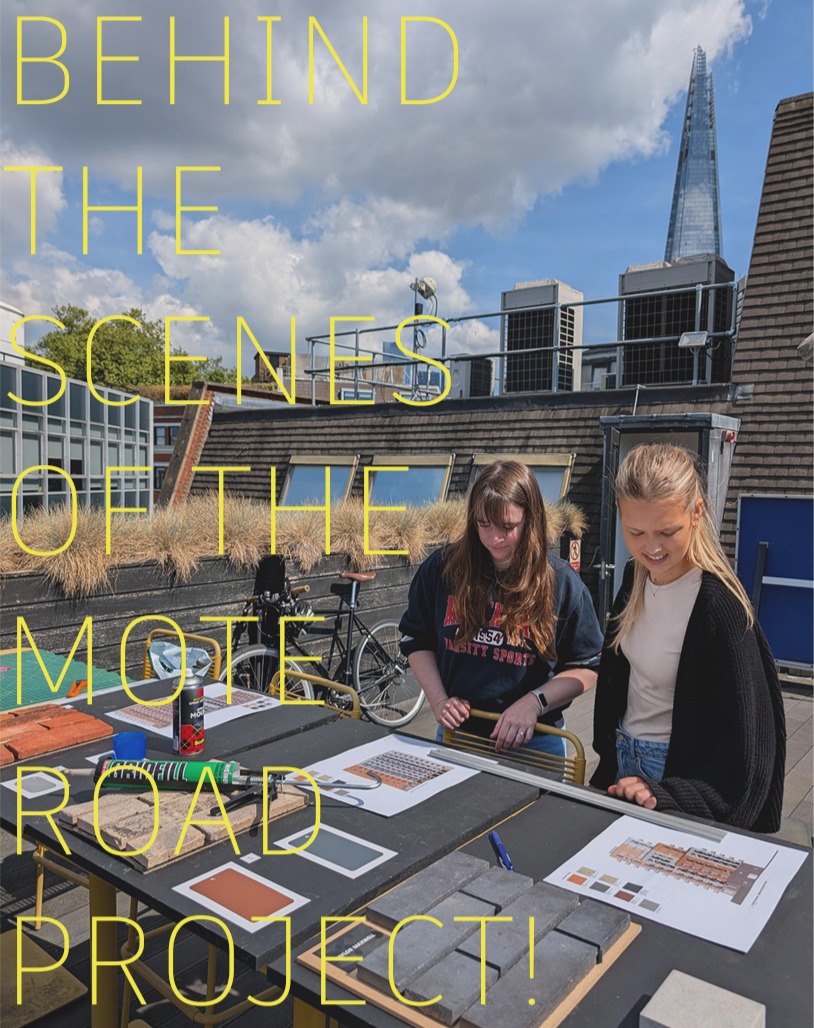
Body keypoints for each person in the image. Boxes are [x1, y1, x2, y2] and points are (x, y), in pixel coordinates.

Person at [591, 443, 786, 832]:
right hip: (622, 765)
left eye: (667, 531)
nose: (651, 547)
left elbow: (749, 754)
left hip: (674, 779)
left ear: (697, 513)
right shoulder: (634, 576)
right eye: (635, 532)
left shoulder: (720, 607)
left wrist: (671, 794)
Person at [399, 461, 603, 757]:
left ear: (530, 519)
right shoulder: (442, 569)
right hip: (459, 737)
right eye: (484, 524)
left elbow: (587, 665)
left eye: (508, 527)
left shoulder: (560, 582)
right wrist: (439, 700)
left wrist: (534, 703)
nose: (495, 538)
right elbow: (416, 640)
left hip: (535, 741)